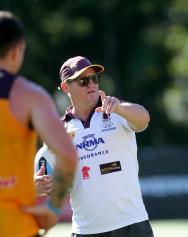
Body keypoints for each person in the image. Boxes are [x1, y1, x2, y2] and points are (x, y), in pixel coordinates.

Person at [35, 55, 154, 237]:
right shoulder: (59, 131)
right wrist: (39, 186)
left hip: (132, 225)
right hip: (86, 231)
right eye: (83, 80)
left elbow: (144, 119)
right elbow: (48, 180)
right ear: (66, 87)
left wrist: (121, 108)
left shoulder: (116, 110)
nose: (91, 84)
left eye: (95, 79)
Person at [0, 10, 77, 237]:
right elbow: (68, 155)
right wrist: (53, 207)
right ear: (18, 49)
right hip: (15, 227)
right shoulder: (29, 95)